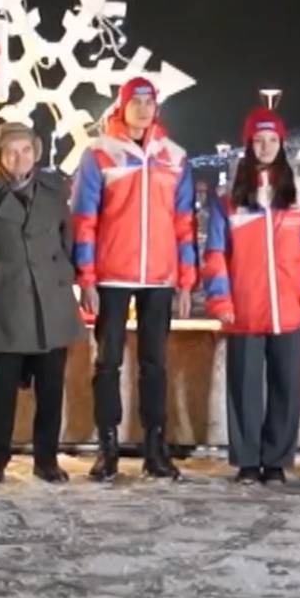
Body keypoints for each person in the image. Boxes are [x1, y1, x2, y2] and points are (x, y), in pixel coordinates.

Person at [71, 78, 196, 482]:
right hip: (110, 275)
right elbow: (84, 220)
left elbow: (184, 224)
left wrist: (186, 281)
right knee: (107, 363)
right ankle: (107, 450)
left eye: (149, 102)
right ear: (122, 107)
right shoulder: (100, 154)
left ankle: (155, 449)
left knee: (155, 364)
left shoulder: (175, 158)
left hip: (159, 277)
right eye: (135, 102)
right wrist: (86, 277)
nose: (143, 109)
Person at [202, 108, 300, 484]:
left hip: (289, 307)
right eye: (258, 140)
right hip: (244, 307)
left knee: (286, 385)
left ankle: (275, 460)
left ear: (281, 143)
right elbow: (215, 254)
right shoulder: (227, 196)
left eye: (272, 139)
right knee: (243, 387)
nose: (265, 146)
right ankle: (246, 459)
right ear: (248, 144)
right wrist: (221, 299)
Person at [0, 122, 82, 483]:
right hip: (7, 302)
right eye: (11, 151)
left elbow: (68, 241)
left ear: (37, 153)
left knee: (50, 388)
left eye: (26, 150)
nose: (20, 158)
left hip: (51, 300)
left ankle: (46, 459)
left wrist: (65, 277)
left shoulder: (54, 191)